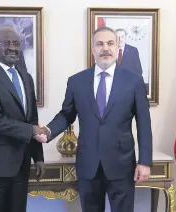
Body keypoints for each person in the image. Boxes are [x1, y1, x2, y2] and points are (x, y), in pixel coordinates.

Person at [35, 26, 152, 212]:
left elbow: (144, 124)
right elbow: (66, 114)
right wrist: (48, 131)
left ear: (117, 46)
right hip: (88, 165)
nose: (105, 48)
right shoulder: (76, 81)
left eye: (110, 43)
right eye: (99, 44)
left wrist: (145, 161)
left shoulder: (134, 81)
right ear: (93, 49)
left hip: (121, 165)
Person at [0, 27, 46, 212]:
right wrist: (31, 131)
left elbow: (32, 119)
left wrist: (38, 157)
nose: (13, 48)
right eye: (7, 43)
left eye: (16, 43)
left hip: (21, 167)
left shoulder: (26, 78)